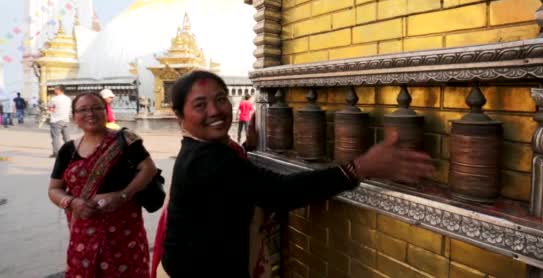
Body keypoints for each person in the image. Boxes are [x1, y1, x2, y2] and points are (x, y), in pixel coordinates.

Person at [160, 71, 434, 277]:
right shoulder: (207, 159)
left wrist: (249, 149)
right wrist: (359, 168)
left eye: (221, 99)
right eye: (200, 105)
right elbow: (281, 192)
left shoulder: (206, 150)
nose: (215, 110)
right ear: (179, 116)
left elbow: (235, 179)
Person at [47, 91, 159, 278]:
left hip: (125, 235)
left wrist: (123, 195)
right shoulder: (68, 151)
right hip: (82, 235)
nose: (90, 113)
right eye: (83, 109)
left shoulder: (126, 141)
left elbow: (149, 169)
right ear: (74, 117)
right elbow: (54, 189)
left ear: (105, 111)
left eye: (96, 108)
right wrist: (73, 203)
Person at [48, 86, 72, 158]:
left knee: (56, 137)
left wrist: (52, 110)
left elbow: (50, 107)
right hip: (66, 120)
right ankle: (69, 153)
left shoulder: (54, 99)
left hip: (56, 120)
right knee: (67, 137)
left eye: (55, 89)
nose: (54, 90)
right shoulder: (68, 99)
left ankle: (57, 153)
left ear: (59, 90)